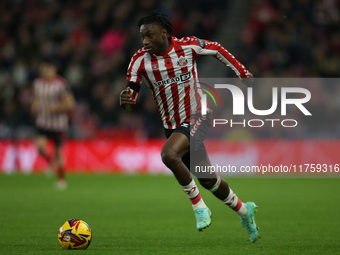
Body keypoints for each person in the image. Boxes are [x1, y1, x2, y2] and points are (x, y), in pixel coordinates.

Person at [120, 13, 259, 242]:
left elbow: (216, 48)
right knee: (207, 180)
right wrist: (126, 100)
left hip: (198, 115)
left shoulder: (187, 46)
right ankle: (245, 211)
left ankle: (199, 207)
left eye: (149, 35)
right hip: (172, 126)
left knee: (169, 154)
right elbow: (131, 95)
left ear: (164, 33)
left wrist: (241, 72)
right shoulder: (139, 60)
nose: (144, 41)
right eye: (142, 36)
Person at [31, 59, 75, 189]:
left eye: (48, 69)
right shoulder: (37, 83)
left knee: (58, 152)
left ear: (53, 70)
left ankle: (61, 179)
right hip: (43, 122)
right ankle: (50, 162)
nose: (45, 71)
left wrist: (55, 108)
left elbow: (70, 104)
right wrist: (33, 107)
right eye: (43, 69)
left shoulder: (61, 84)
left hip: (58, 124)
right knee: (40, 147)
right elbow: (36, 99)